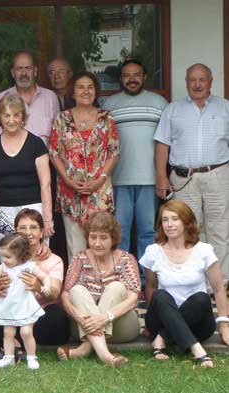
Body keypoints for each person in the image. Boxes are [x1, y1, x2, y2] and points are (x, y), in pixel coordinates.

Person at [154, 63, 229, 278]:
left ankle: (220, 283)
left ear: (211, 82)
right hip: (183, 178)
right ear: (186, 83)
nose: (197, 84)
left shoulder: (225, 108)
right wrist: (161, 177)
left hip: (218, 175)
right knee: (187, 229)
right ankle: (192, 279)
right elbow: (162, 146)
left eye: (202, 79)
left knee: (220, 230)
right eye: (192, 80)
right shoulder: (173, 110)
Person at [140, 200, 229, 368]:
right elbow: (150, 287)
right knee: (160, 295)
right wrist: (153, 321)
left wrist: (224, 326)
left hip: (198, 323)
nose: (169, 224)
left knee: (202, 298)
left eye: (175, 219)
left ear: (187, 222)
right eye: (165, 220)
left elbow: (218, 289)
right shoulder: (154, 251)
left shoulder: (203, 250)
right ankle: (197, 350)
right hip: (163, 317)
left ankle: (162, 339)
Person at [101, 59, 168, 265]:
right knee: (119, 232)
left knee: (148, 232)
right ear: (121, 78)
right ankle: (123, 278)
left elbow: (166, 143)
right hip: (118, 179)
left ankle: (144, 279)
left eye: (136, 74)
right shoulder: (109, 105)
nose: (132, 79)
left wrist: (162, 176)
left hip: (149, 179)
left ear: (144, 77)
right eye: (127, 75)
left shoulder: (160, 104)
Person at [49, 71, 119, 258]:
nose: (85, 91)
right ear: (72, 92)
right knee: (76, 249)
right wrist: (68, 180)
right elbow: (54, 153)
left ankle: (103, 284)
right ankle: (78, 286)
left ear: (96, 92)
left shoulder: (107, 118)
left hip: (99, 191)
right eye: (80, 87)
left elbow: (113, 152)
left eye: (90, 87)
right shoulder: (61, 119)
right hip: (70, 191)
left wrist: (100, 179)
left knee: (101, 243)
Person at [58, 212, 140, 368]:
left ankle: (84, 350)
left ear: (113, 239)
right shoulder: (79, 258)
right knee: (76, 290)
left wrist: (105, 317)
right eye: (93, 237)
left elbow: (133, 299)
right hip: (84, 326)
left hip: (120, 326)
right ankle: (106, 356)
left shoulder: (126, 259)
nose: (97, 243)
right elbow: (65, 296)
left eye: (103, 238)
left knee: (116, 287)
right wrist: (80, 317)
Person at [0, 209, 69, 347]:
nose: (28, 232)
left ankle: (14, 341)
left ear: (41, 232)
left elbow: (55, 293)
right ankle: (14, 340)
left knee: (57, 316)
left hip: (39, 312)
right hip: (13, 310)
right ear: (15, 232)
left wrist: (38, 286)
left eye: (33, 227)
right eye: (22, 228)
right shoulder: (7, 256)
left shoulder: (54, 260)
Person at [0, 93, 53, 235]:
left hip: (33, 211)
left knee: (35, 255)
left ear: (23, 118)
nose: (11, 120)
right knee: (6, 256)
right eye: (6, 115)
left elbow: (45, 184)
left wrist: (47, 219)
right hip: (1, 211)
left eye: (16, 115)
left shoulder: (36, 144)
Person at [0, 233, 51, 370]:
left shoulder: (29, 266)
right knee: (8, 332)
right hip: (8, 304)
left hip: (24, 304)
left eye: (8, 256)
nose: (4, 260)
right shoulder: (4, 267)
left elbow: (44, 277)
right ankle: (8, 358)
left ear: (21, 254)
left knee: (26, 332)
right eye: (2, 256)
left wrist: (46, 286)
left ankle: (32, 357)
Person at [0, 51, 59, 146]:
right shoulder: (1, 99)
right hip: (10, 160)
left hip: (44, 159)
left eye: (28, 68)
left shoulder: (50, 98)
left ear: (35, 71)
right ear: (13, 73)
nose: (23, 73)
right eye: (19, 68)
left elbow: (58, 139)